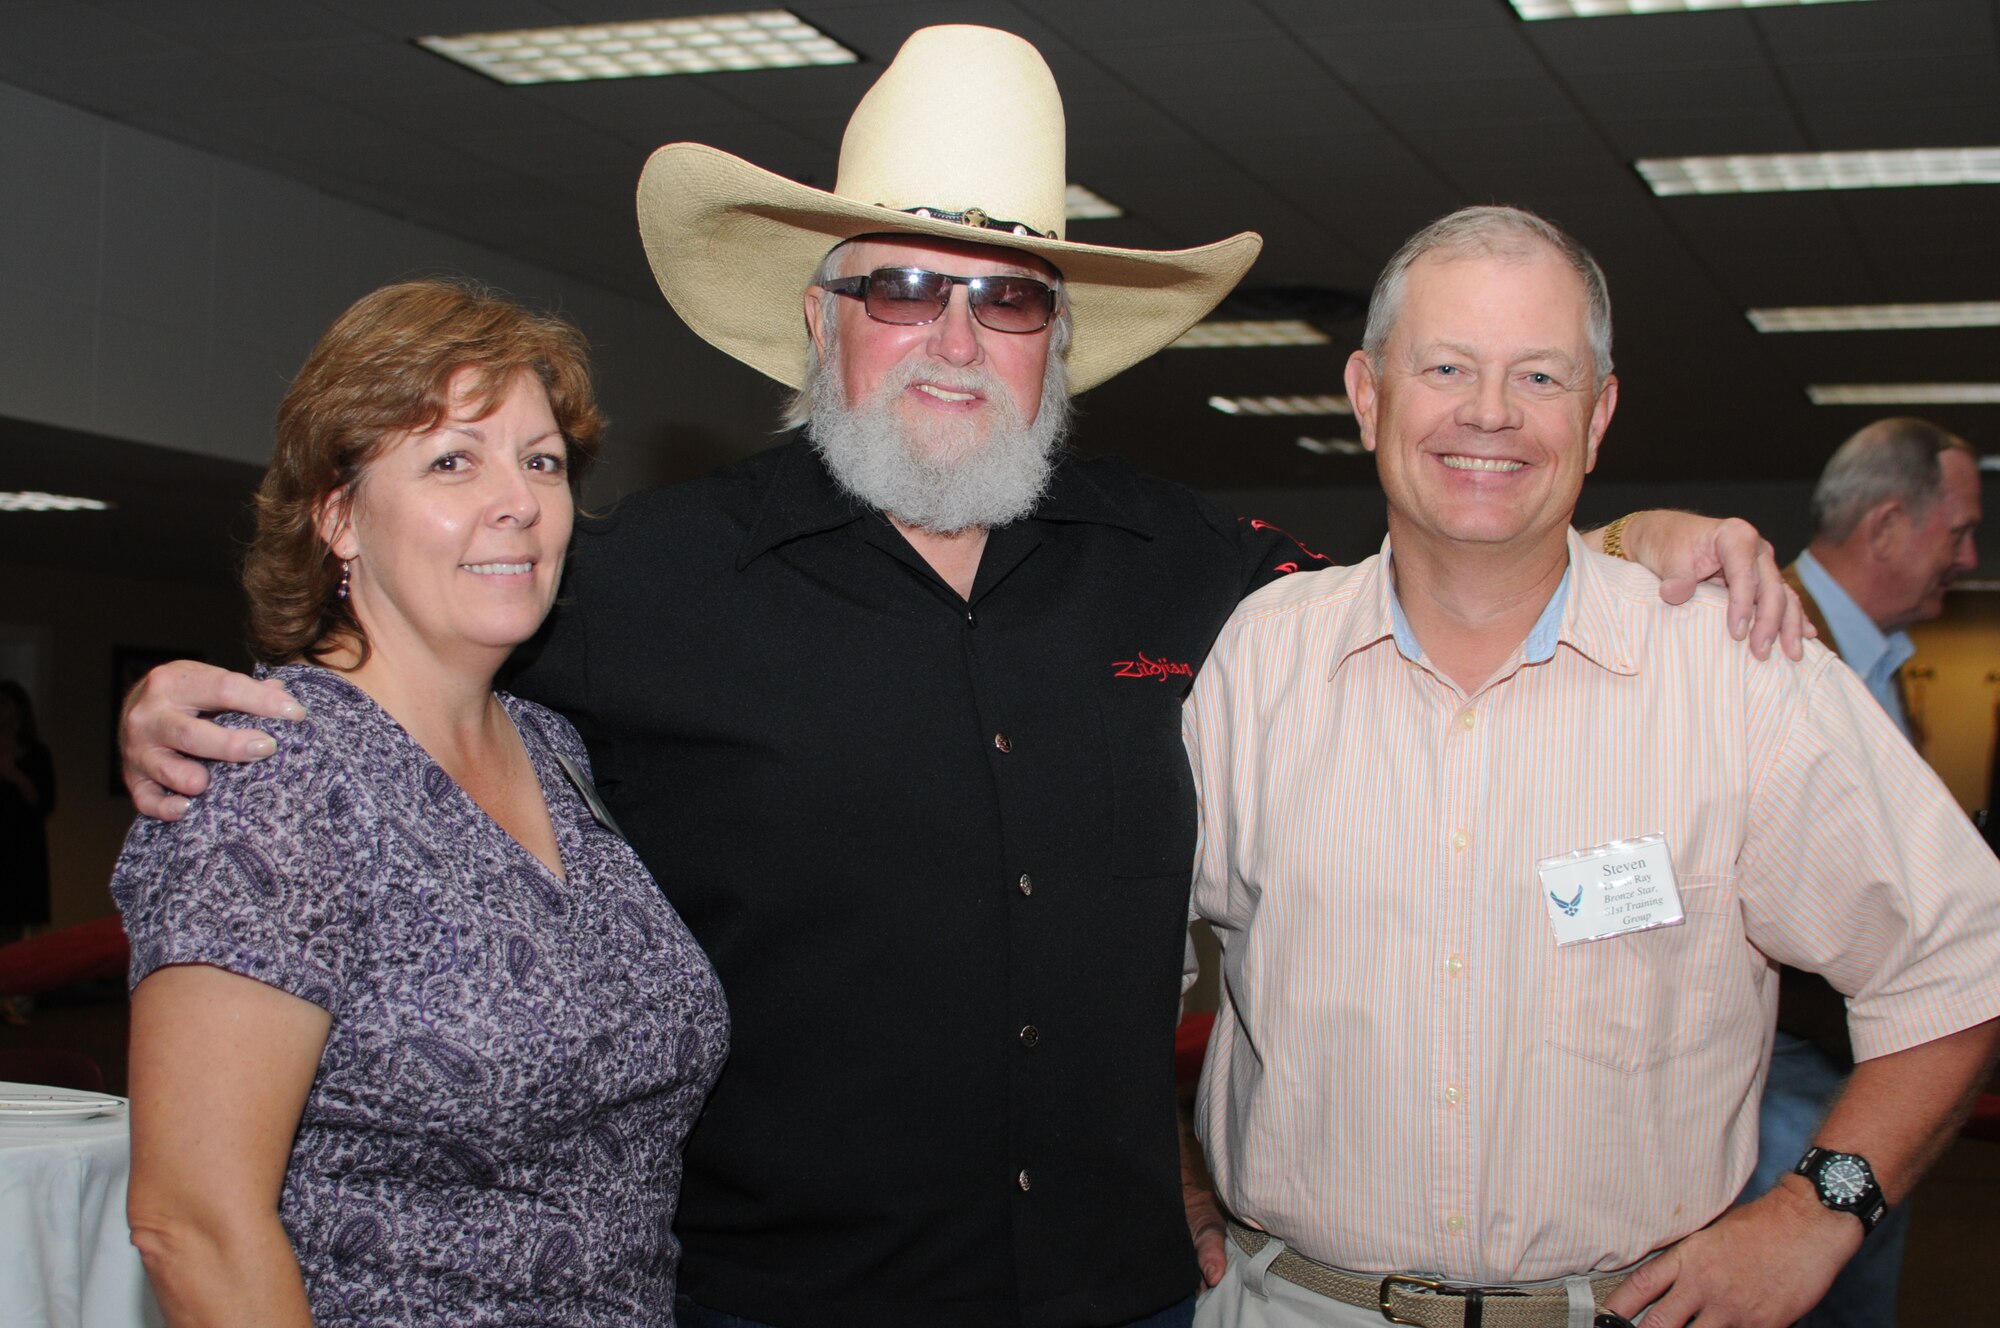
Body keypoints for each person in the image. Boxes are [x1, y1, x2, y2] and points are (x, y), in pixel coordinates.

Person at [118, 27, 1803, 1328]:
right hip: (770, 1301)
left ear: (1059, 345)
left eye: (1003, 299)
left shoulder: (1201, 570)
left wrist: (1637, 526)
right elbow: (406, 640)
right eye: (901, 286)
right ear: (820, 319)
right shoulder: (634, 580)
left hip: (1121, 1291)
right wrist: (200, 695)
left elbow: (1442, 579)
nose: (949, 334)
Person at [1181, 205, 2000, 1328]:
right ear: (1367, 393)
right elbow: (1106, 964)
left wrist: (1817, 1209)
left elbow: (1960, 952)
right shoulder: (1254, 661)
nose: (1487, 411)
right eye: (1446, 366)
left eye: (1539, 377)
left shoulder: (1735, 670)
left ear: (1598, 411)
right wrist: (1158, 1166)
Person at [113, 279, 728, 1327]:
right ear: (338, 516)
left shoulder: (553, 746)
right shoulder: (274, 776)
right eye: (453, 459)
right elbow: (193, 1223)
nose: (521, 499)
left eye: (541, 460)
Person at [1745, 416, 1981, 1326]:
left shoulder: (1880, 665)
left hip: (1870, 1071)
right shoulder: (1757, 635)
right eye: (1957, 531)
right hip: (1781, 1067)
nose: (1966, 556)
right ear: (1885, 528)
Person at [0, 679, 56, 1024]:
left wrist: (13, 776)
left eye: (7, 704)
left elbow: (46, 802)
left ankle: (16, 999)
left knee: (17, 926)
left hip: (22, 849)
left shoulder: (36, 753)